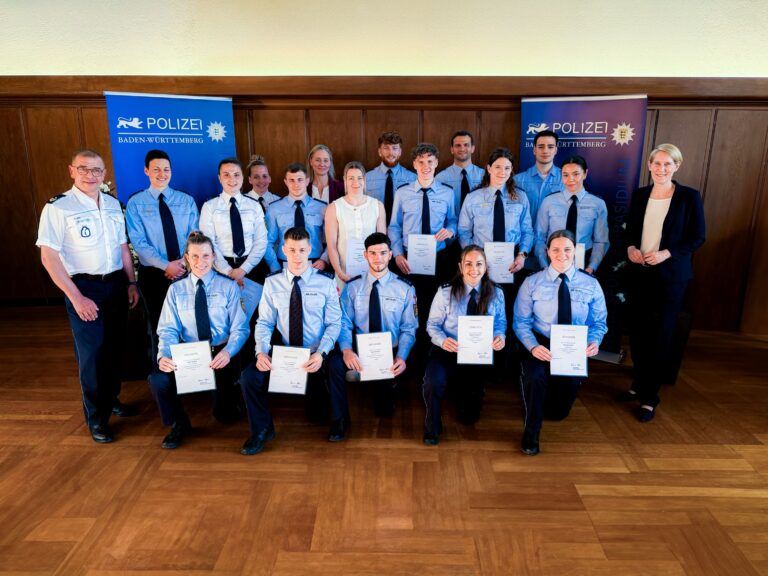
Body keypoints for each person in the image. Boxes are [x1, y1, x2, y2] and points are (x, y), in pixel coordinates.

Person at [36, 149, 140, 443]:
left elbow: (123, 249)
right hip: (84, 287)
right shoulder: (58, 208)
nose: (90, 175)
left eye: (96, 170)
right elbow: (49, 258)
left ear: (104, 174)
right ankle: (97, 419)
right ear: (72, 171)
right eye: (84, 169)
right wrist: (76, 297)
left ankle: (111, 399)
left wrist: (131, 283)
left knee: (115, 347)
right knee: (92, 354)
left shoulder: (111, 205)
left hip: (116, 284)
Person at [619, 143, 706, 422]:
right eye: (657, 163)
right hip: (640, 273)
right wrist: (631, 248)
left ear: (676, 167)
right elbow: (631, 231)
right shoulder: (641, 195)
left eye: (668, 164)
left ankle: (650, 397)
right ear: (649, 166)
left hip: (670, 278)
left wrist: (667, 253)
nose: (661, 169)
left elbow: (697, 237)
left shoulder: (688, 197)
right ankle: (638, 384)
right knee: (639, 334)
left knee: (660, 335)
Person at [239, 227, 344, 455]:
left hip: (316, 353)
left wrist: (321, 353)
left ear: (311, 250)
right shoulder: (273, 283)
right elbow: (264, 322)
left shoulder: (325, 282)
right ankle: (261, 430)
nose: (297, 256)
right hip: (286, 353)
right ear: (284, 250)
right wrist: (261, 353)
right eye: (292, 250)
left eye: (302, 250)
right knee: (249, 377)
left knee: (321, 401)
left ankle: (339, 420)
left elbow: (335, 323)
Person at [148, 231, 249, 449]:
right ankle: (179, 422)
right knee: (158, 380)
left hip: (219, 354)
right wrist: (163, 355)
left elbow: (240, 328)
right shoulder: (175, 290)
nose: (200, 262)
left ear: (213, 257)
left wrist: (227, 352)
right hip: (189, 354)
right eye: (194, 256)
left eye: (205, 256)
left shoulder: (228, 286)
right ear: (186, 258)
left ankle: (231, 398)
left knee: (226, 416)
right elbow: (167, 329)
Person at [514, 230, 607, 455]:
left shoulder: (591, 284)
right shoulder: (532, 282)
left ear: (575, 251)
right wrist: (533, 347)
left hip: (572, 347)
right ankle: (531, 432)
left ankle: (547, 401)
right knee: (535, 379)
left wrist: (594, 342)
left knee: (558, 412)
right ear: (547, 252)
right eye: (555, 249)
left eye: (567, 249)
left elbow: (599, 322)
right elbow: (520, 322)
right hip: (541, 342)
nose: (561, 254)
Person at [422, 245, 506, 445]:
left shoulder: (497, 293)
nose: (473, 269)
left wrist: (500, 337)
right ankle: (432, 426)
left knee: (469, 417)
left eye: (479, 264)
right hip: (448, 349)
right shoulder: (445, 293)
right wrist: (443, 341)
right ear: (460, 266)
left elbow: (500, 322)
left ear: (486, 267)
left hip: (477, 354)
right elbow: (431, 326)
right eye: (468, 264)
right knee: (433, 381)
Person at [458, 147, 533, 371]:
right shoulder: (473, 198)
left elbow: (528, 231)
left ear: (512, 171)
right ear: (489, 168)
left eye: (507, 168)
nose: (502, 171)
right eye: (498, 166)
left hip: (511, 267)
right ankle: (479, 360)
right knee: (483, 310)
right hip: (479, 269)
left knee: (507, 312)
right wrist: (473, 260)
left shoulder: (520, 198)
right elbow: (463, 232)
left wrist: (522, 256)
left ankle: (504, 365)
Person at [331, 232, 418, 416]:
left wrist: (401, 357)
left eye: (383, 253)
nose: (378, 258)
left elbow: (409, 329)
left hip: (390, 352)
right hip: (360, 350)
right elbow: (344, 323)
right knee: (335, 366)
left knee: (384, 410)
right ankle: (341, 421)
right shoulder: (353, 287)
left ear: (390, 254)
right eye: (373, 253)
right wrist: (347, 350)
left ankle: (385, 382)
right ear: (365, 255)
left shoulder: (405, 288)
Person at [388, 143, 457, 350]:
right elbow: (394, 227)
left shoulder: (447, 192)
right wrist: (398, 255)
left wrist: (450, 231)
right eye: (421, 162)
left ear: (436, 163)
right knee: (412, 306)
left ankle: (433, 349)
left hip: (439, 258)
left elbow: (453, 220)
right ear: (414, 164)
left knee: (436, 304)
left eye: (429, 161)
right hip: (409, 259)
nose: (425, 166)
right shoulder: (402, 193)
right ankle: (412, 351)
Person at [126, 149, 199, 336]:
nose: (162, 174)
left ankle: (189, 365)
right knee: (159, 326)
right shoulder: (136, 203)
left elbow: (195, 237)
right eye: (156, 169)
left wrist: (181, 263)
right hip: (153, 274)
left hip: (185, 271)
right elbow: (138, 242)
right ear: (146, 171)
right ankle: (162, 365)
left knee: (189, 324)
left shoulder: (186, 200)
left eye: (166, 169)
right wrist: (166, 266)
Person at [534, 155, 609, 275]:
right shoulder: (549, 201)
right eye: (565, 175)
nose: (570, 179)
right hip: (552, 261)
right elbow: (539, 237)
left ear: (585, 174)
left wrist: (591, 268)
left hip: (584, 262)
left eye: (576, 174)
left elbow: (601, 241)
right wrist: (545, 266)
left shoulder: (598, 204)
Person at [200, 157, 267, 285]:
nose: (232, 179)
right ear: (219, 178)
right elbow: (208, 243)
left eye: (236, 175)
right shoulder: (209, 207)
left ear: (243, 178)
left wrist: (243, 269)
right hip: (221, 268)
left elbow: (261, 241)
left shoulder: (254, 205)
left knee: (254, 305)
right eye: (226, 175)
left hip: (252, 267)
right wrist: (228, 271)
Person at [325, 161, 386, 287]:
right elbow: (331, 246)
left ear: (364, 180)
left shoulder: (377, 206)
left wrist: (379, 272)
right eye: (351, 178)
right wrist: (340, 273)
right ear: (345, 180)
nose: (355, 182)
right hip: (344, 272)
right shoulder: (334, 207)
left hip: (373, 273)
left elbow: (382, 245)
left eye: (359, 178)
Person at [263, 163, 329, 272]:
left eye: (300, 179)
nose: (296, 184)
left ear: (307, 181)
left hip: (315, 264)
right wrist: (274, 265)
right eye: (291, 180)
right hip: (284, 264)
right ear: (285, 182)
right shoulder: (274, 208)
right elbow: (266, 241)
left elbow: (332, 241)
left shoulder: (322, 208)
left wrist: (324, 260)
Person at [515, 130, 562, 272]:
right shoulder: (518, 180)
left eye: (550, 146)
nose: (545, 150)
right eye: (541, 147)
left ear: (556, 150)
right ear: (534, 150)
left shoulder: (566, 179)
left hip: (555, 250)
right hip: (522, 251)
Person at [365, 130, 417, 224]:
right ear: (379, 152)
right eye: (386, 148)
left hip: (402, 230)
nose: (391, 153)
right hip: (374, 230)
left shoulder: (413, 178)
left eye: (394, 148)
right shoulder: (366, 178)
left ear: (400, 152)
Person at [245, 155, 279, 285]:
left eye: (264, 176)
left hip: (276, 259)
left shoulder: (279, 202)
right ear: (249, 179)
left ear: (269, 178)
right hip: (251, 262)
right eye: (256, 177)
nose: (261, 181)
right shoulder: (242, 202)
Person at [435, 130, 485, 215]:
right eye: (458, 145)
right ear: (452, 149)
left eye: (466, 145)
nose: (462, 149)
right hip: (449, 226)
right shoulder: (440, 178)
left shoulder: (484, 175)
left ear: (473, 148)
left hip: (478, 226)